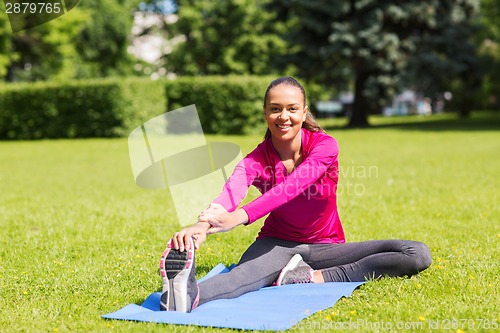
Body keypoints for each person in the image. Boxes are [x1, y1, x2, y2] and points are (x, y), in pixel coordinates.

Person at [159, 77, 432, 313]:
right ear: (265, 113)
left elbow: (291, 188)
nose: (283, 116)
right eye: (275, 109)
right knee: (242, 277)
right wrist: (201, 226)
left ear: (304, 112)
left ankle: (310, 277)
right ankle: (184, 295)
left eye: (292, 109)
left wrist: (239, 218)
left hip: (328, 247)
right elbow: (229, 194)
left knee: (415, 253)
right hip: (277, 243)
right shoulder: (255, 159)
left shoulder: (325, 146)